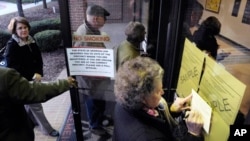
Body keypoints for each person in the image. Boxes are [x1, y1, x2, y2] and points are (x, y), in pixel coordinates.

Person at [113, 56, 204, 141]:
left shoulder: (124, 101)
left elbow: (152, 118)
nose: (163, 92)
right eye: (157, 91)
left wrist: (171, 109)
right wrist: (193, 134)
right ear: (143, 98)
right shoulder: (149, 137)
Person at [5, 16, 59, 137]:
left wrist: (39, 72)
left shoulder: (31, 40)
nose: (23, 30)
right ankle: (48, 129)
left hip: (35, 78)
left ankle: (31, 122)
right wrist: (31, 75)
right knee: (36, 105)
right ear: (14, 31)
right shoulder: (12, 46)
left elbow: (38, 58)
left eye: (25, 27)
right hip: (23, 81)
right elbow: (13, 68)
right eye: (20, 28)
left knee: (30, 105)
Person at [0, 67, 76, 141]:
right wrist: (65, 83)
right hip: (12, 134)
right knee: (35, 108)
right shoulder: (4, 75)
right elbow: (34, 91)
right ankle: (47, 129)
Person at [74, 5, 111, 135]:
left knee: (100, 101)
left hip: (97, 78)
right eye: (104, 19)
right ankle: (95, 126)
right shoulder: (84, 35)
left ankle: (101, 118)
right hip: (91, 81)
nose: (105, 22)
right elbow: (83, 64)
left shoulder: (92, 29)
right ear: (95, 18)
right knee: (93, 103)